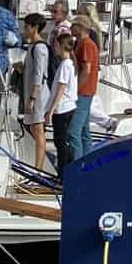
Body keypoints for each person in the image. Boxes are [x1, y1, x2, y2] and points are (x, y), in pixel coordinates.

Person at [19, 13, 50, 174]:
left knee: (38, 130)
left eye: (26, 27)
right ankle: (37, 166)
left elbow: (39, 74)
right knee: (33, 128)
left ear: (35, 28)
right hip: (32, 93)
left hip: (37, 95)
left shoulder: (40, 48)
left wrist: (32, 98)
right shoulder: (32, 46)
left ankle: (39, 168)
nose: (24, 30)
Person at [47, 28, 79, 177]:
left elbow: (61, 88)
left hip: (63, 108)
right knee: (62, 141)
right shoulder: (69, 63)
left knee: (60, 143)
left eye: (56, 45)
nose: (54, 48)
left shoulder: (66, 64)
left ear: (61, 46)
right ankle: (68, 171)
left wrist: (51, 110)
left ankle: (63, 174)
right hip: (69, 107)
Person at [69, 11, 101, 159]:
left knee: (73, 132)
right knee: (84, 131)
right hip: (87, 91)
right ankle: (87, 159)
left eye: (73, 25)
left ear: (80, 27)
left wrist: (76, 90)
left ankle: (77, 163)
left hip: (83, 92)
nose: (70, 27)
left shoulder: (86, 45)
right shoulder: (83, 44)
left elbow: (86, 70)